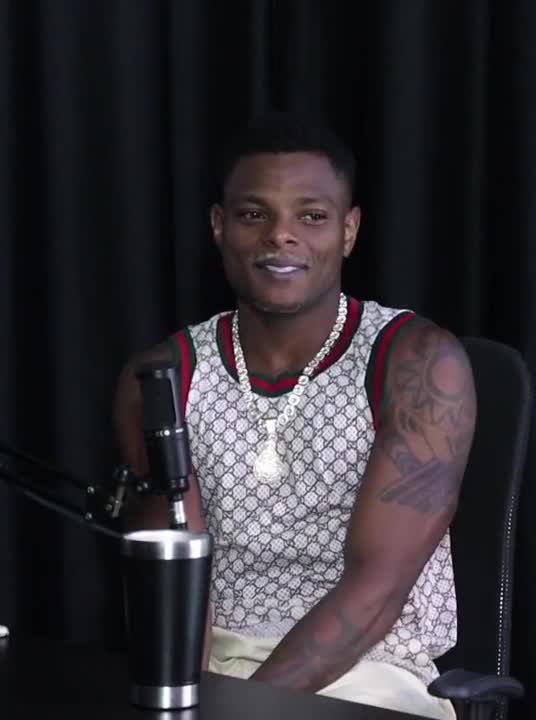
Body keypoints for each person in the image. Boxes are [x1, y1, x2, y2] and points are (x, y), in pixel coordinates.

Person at [113, 113, 474, 720]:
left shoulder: (416, 362)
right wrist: (189, 703)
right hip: (214, 670)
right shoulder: (164, 375)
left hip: (374, 670)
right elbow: (177, 588)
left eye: (311, 216)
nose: (280, 236)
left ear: (348, 231)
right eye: (254, 214)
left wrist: (248, 710)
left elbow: (377, 592)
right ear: (219, 226)